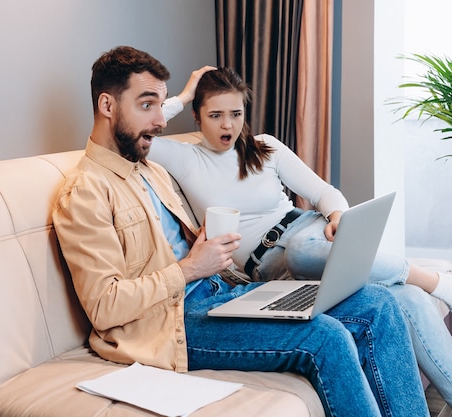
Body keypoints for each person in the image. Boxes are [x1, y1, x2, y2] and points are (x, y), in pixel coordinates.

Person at [52, 46, 429, 417]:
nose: (161, 121)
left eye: (159, 106)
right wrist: (189, 268)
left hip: (222, 290)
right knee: (325, 338)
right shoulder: (86, 191)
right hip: (172, 323)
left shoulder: (146, 165)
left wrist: (204, 251)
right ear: (106, 106)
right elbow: (103, 308)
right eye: (147, 105)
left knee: (378, 306)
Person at [149, 65, 452, 406]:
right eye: (215, 114)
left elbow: (325, 192)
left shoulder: (265, 148)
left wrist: (337, 217)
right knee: (405, 299)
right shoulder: (184, 157)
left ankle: (432, 280)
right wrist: (184, 94)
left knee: (300, 250)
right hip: (272, 272)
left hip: (308, 233)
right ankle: (431, 281)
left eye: (236, 114)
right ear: (196, 116)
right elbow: (136, 135)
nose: (228, 125)